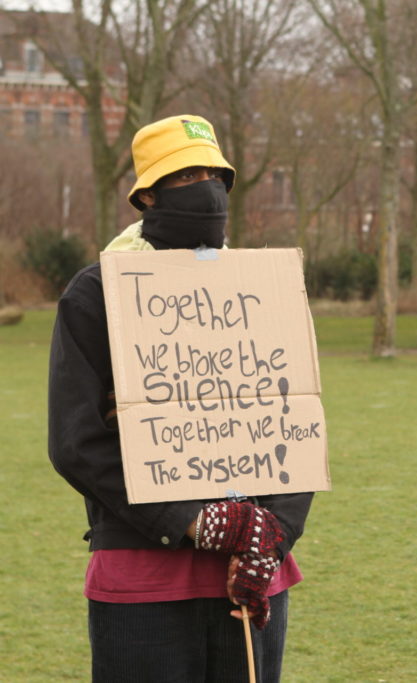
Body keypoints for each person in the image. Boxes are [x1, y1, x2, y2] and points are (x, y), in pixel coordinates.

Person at [48, 114, 314, 682]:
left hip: (253, 571)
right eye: (187, 174)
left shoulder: (262, 289)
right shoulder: (95, 295)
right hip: (142, 575)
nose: (207, 188)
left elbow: (295, 420)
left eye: (215, 174)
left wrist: (274, 534)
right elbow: (76, 442)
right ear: (146, 194)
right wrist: (192, 521)